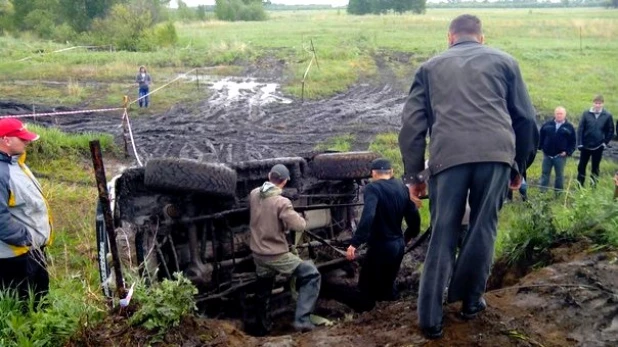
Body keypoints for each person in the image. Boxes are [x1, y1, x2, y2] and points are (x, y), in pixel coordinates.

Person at [398, 14, 538, 339]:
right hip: (496, 156)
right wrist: (519, 165)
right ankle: (471, 302)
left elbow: (411, 128)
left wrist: (414, 176)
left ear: (450, 37)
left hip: (448, 159)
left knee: (443, 234)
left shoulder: (429, 68)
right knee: (483, 229)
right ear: (481, 38)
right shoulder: (506, 62)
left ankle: (430, 319)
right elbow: (527, 120)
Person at [248, 164, 321, 335]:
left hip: (257, 254)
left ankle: (262, 329)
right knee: (311, 273)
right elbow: (299, 225)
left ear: (269, 176)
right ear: (285, 182)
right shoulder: (282, 202)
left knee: (263, 289)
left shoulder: (253, 194)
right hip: (276, 255)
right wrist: (301, 217)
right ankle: (302, 319)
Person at [345, 158, 420, 312]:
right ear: (391, 171)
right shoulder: (401, 187)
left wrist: (355, 242)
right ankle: (393, 313)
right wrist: (410, 234)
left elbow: (368, 216)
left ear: (373, 173)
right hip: (398, 245)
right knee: (388, 281)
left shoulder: (373, 189)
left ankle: (366, 319)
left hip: (381, 246)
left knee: (366, 286)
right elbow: (413, 215)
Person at [0, 119, 52, 307]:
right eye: (21, 138)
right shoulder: (2, 171)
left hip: (32, 251)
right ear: (6, 140)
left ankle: (46, 332)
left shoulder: (16, 163)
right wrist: (26, 238)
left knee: (41, 303)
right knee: (21, 309)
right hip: (14, 257)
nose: (27, 142)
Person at [576, 95, 614, 187]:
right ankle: (580, 186)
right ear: (593, 103)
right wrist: (580, 143)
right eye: (596, 103)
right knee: (581, 167)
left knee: (595, 168)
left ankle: (593, 187)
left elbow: (610, 130)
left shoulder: (607, 115)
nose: (597, 105)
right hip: (585, 145)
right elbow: (580, 129)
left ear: (602, 104)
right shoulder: (586, 114)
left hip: (598, 146)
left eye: (599, 103)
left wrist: (605, 143)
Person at [539, 106, 577, 193]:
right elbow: (541, 137)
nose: (559, 115)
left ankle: (558, 193)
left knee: (559, 176)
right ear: (554, 114)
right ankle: (542, 192)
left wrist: (567, 152)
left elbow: (573, 142)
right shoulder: (547, 125)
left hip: (560, 156)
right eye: (557, 113)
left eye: (561, 114)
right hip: (547, 155)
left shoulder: (569, 127)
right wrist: (541, 147)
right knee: (545, 174)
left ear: (565, 115)